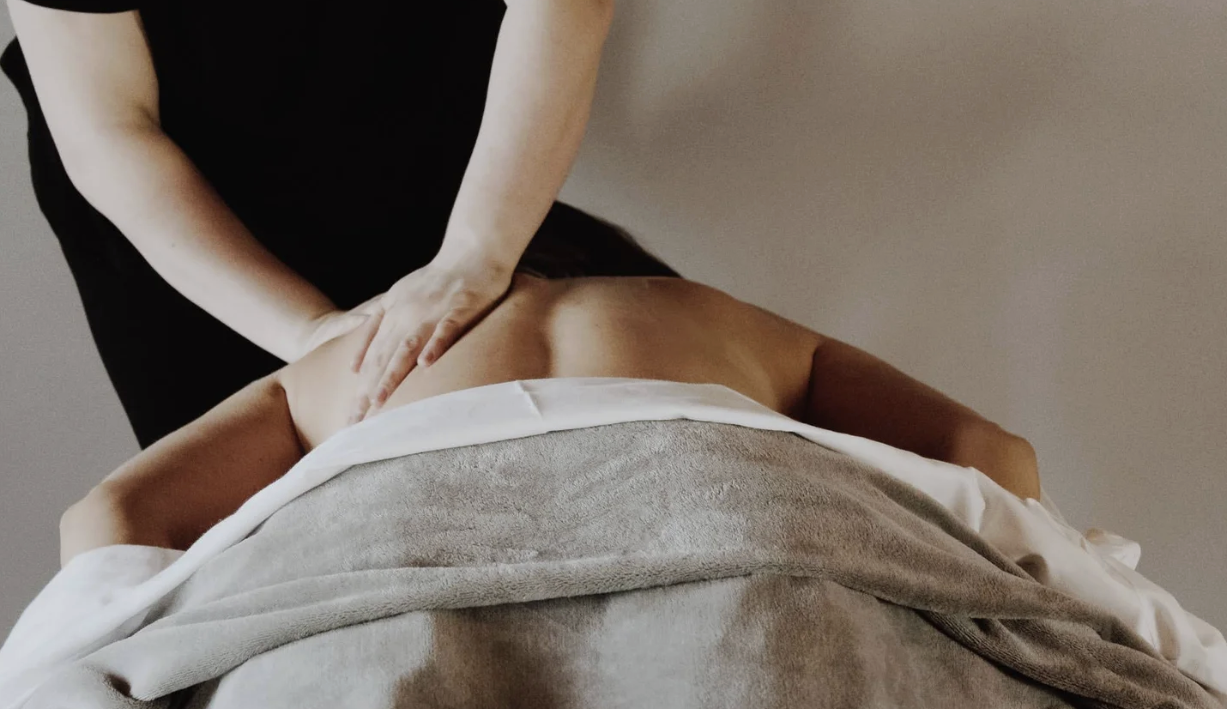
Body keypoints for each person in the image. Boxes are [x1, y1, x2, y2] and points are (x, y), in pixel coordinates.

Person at [58, 208, 1043, 568]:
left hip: (413, 528)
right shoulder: (715, 315)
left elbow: (111, 519)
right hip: (722, 503)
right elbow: (992, 456)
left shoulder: (353, 354)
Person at [0, 0, 617, 448]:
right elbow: (109, 132)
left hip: (414, 116)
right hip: (184, 212)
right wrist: (312, 335)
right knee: (257, 505)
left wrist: (475, 254)